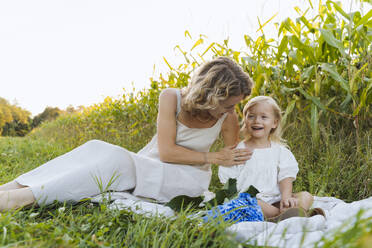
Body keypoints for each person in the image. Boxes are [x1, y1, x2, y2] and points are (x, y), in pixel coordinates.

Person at [0, 57, 254, 211]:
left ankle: (22, 199)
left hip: (185, 177)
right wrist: (213, 157)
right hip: (150, 163)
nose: (233, 110)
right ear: (211, 95)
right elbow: (165, 151)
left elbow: (234, 163)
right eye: (229, 103)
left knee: (119, 162)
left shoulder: (227, 117)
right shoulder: (171, 97)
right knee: (95, 146)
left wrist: (235, 164)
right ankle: (11, 187)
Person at [219, 96, 315, 220]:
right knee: (248, 204)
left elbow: (285, 177)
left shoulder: (280, 151)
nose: (256, 121)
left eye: (263, 117)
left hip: (277, 200)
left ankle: (287, 212)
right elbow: (229, 184)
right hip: (253, 201)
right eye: (251, 116)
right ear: (245, 120)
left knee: (306, 196)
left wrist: (286, 198)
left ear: (274, 123)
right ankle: (281, 216)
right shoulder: (238, 151)